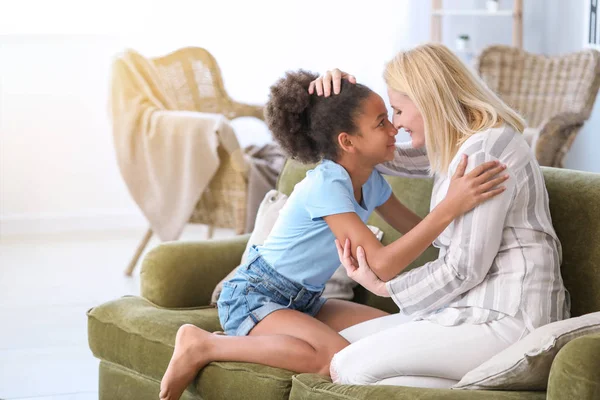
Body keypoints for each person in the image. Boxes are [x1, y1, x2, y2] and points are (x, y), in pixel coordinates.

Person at [158, 68, 508, 399]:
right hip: (256, 296)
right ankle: (204, 343)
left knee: (395, 329)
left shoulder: (372, 181)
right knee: (335, 360)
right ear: (348, 141)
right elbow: (383, 264)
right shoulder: (327, 186)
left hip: (305, 300)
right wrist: (450, 205)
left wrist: (474, 228)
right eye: (382, 122)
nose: (394, 130)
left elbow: (422, 232)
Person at [309, 43, 570, 387]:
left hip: (509, 317)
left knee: (349, 368)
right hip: (470, 312)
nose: (396, 125)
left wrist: (385, 287)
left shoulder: (485, 151)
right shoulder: (460, 146)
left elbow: (464, 268)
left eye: (398, 111)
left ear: (428, 100)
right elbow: (373, 152)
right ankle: (482, 388)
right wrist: (328, 97)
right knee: (342, 351)